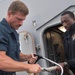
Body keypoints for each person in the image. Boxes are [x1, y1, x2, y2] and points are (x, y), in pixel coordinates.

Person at [0, 1, 41, 75]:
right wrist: (28, 67)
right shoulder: (1, 30)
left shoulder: (14, 33)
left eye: (23, 20)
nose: (21, 23)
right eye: (19, 19)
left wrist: (26, 57)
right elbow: (1, 60)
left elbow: (15, 54)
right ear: (9, 14)